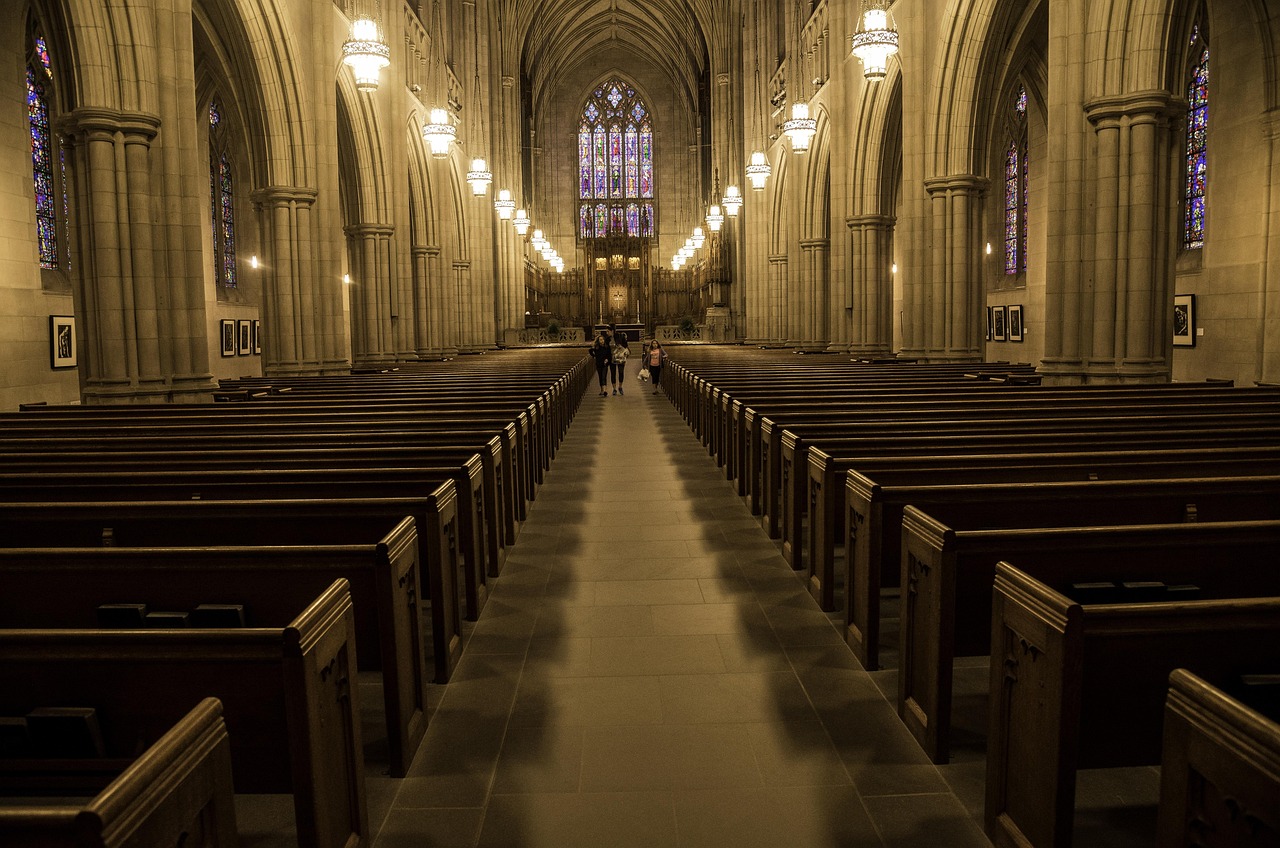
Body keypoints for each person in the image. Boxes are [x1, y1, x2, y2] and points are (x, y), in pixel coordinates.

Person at [589, 332, 613, 397]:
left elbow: (609, 355)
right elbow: (590, 350)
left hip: (605, 364)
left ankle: (605, 390)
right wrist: (594, 356)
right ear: (598, 341)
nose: (601, 341)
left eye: (602, 339)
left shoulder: (607, 347)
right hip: (599, 363)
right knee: (600, 376)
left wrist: (607, 359)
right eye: (600, 340)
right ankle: (602, 390)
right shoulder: (597, 347)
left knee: (603, 376)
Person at [610, 330, 630, 395]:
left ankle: (620, 387)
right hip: (613, 358)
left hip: (621, 358)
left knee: (621, 372)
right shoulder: (609, 339)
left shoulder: (621, 337)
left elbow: (626, 347)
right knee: (613, 373)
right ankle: (614, 388)